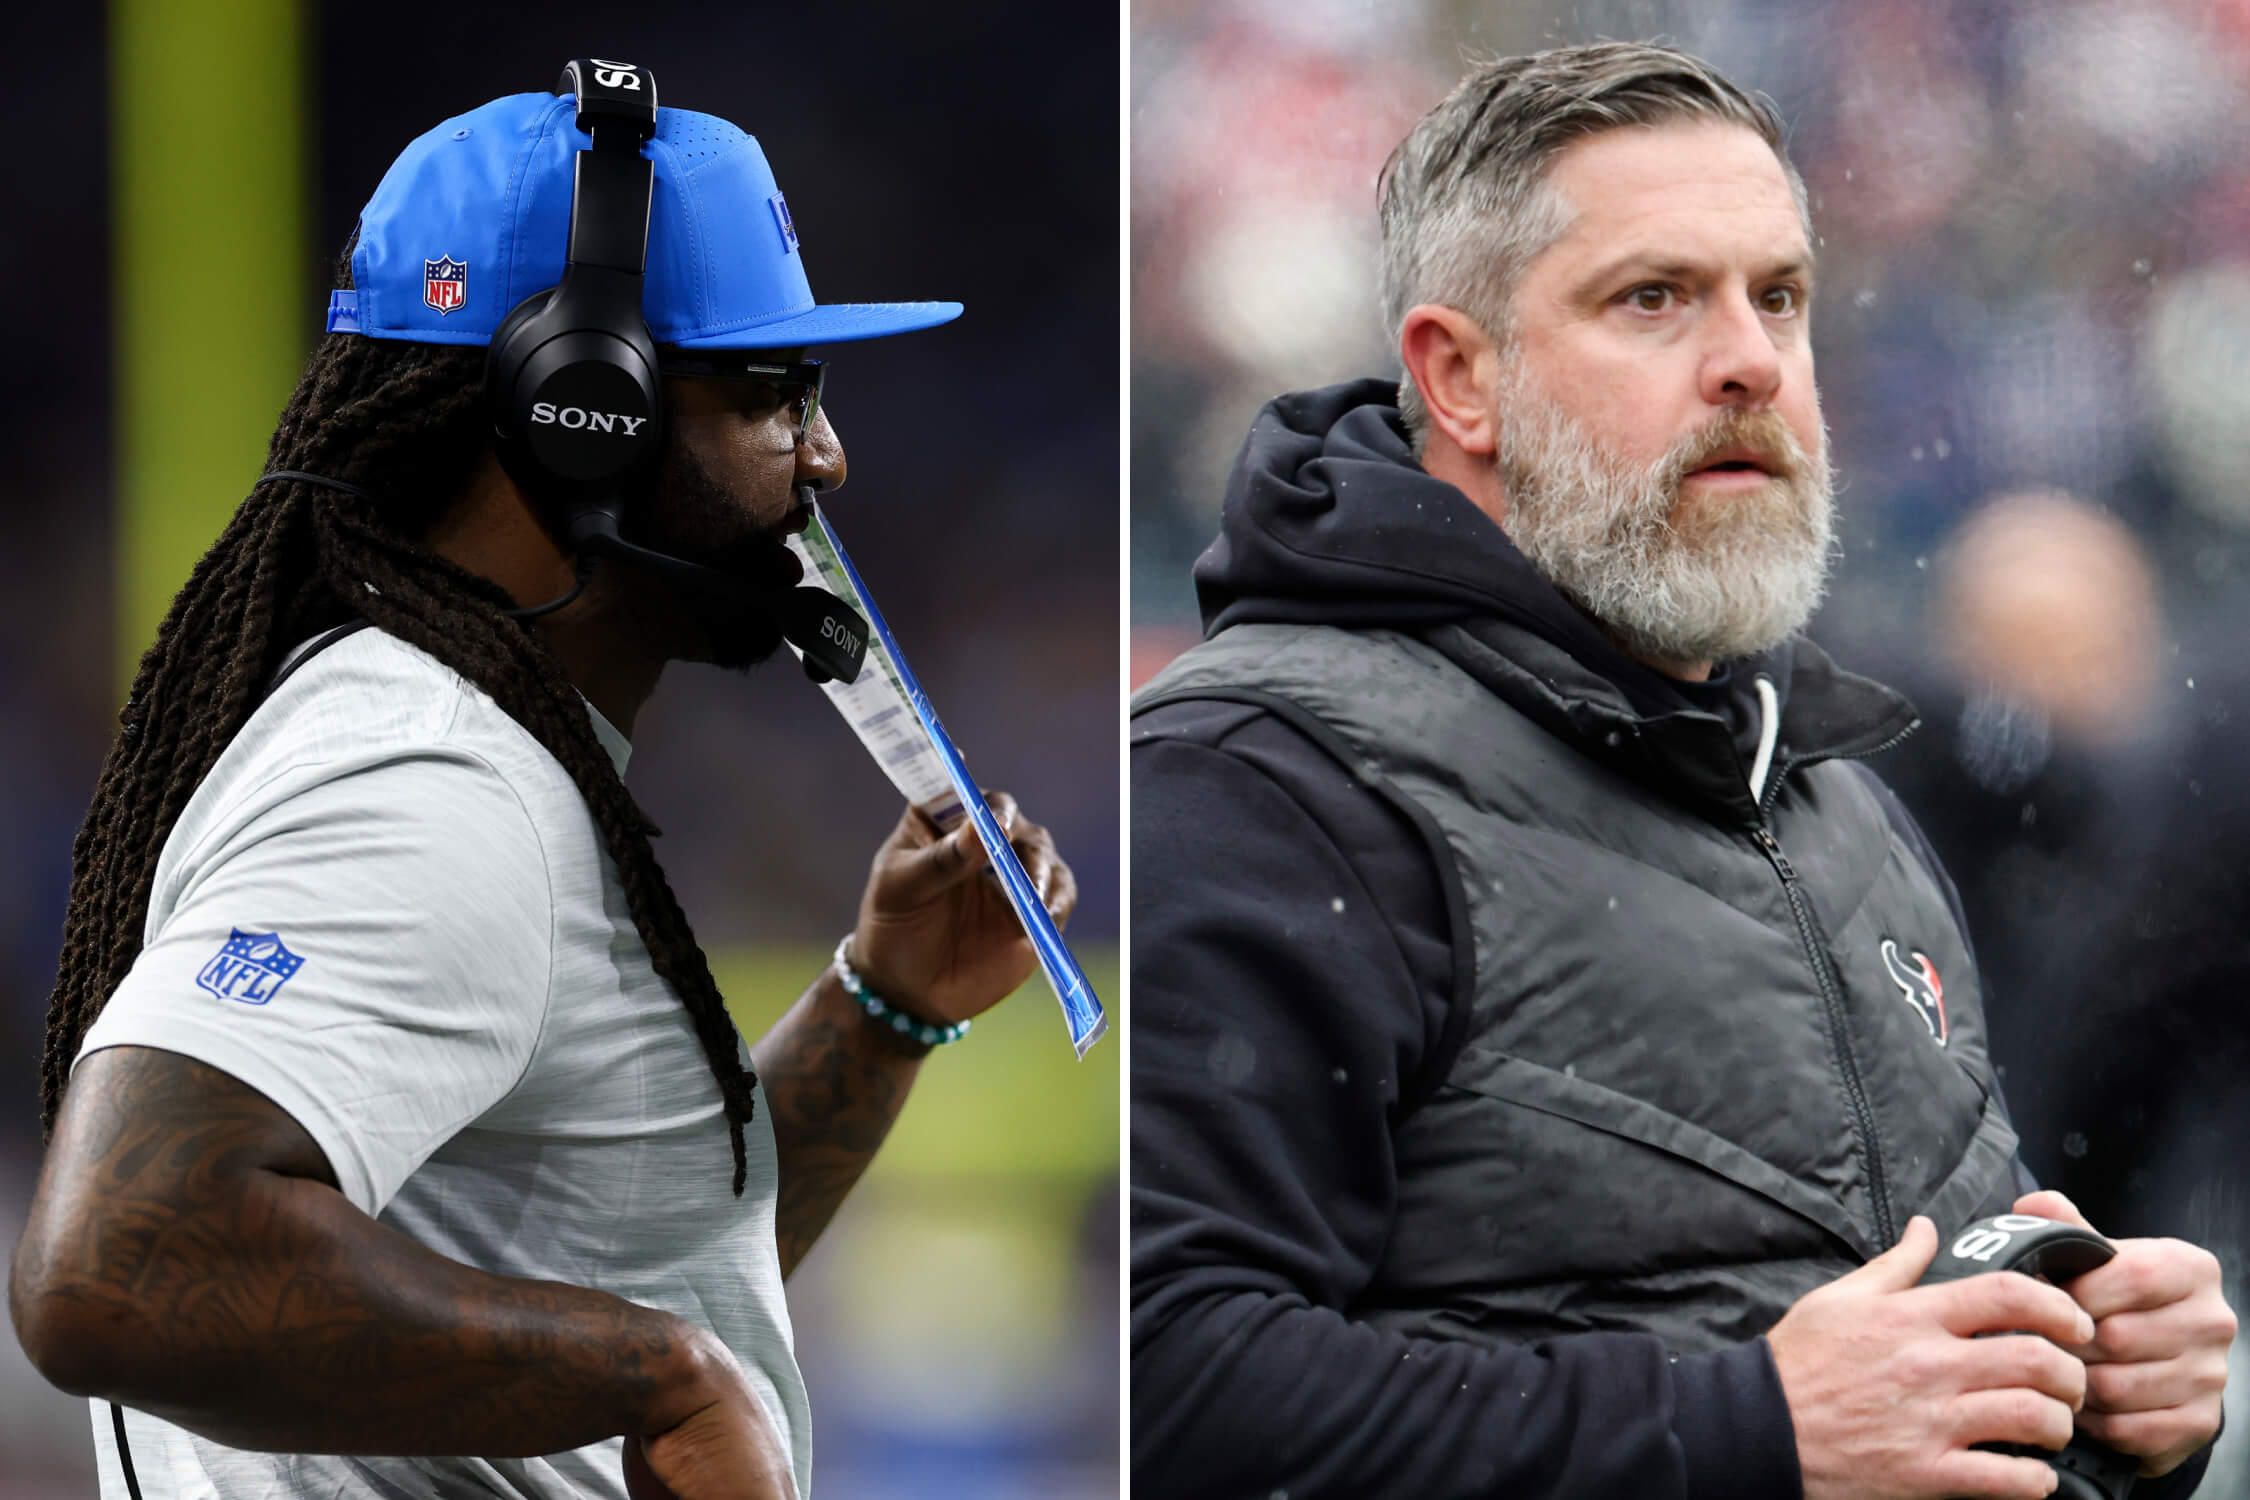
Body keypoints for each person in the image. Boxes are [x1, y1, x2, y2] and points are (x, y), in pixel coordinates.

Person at [1130, 42, 2229, 1500]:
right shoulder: (1260, 783)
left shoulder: (1837, 793)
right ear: (1458, 377)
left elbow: (1875, 1352)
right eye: (1652, 299)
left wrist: (2102, 1382)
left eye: (1777, 296)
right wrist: (1744, 1430)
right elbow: (1168, 1394)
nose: (1749, 361)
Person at [8, 66, 1074, 1500]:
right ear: (588, 410)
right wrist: (659, 1377)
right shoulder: (429, 772)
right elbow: (119, 1269)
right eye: (770, 391)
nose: (826, 450)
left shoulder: (464, 741)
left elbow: (592, 1261)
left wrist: (880, 1012)